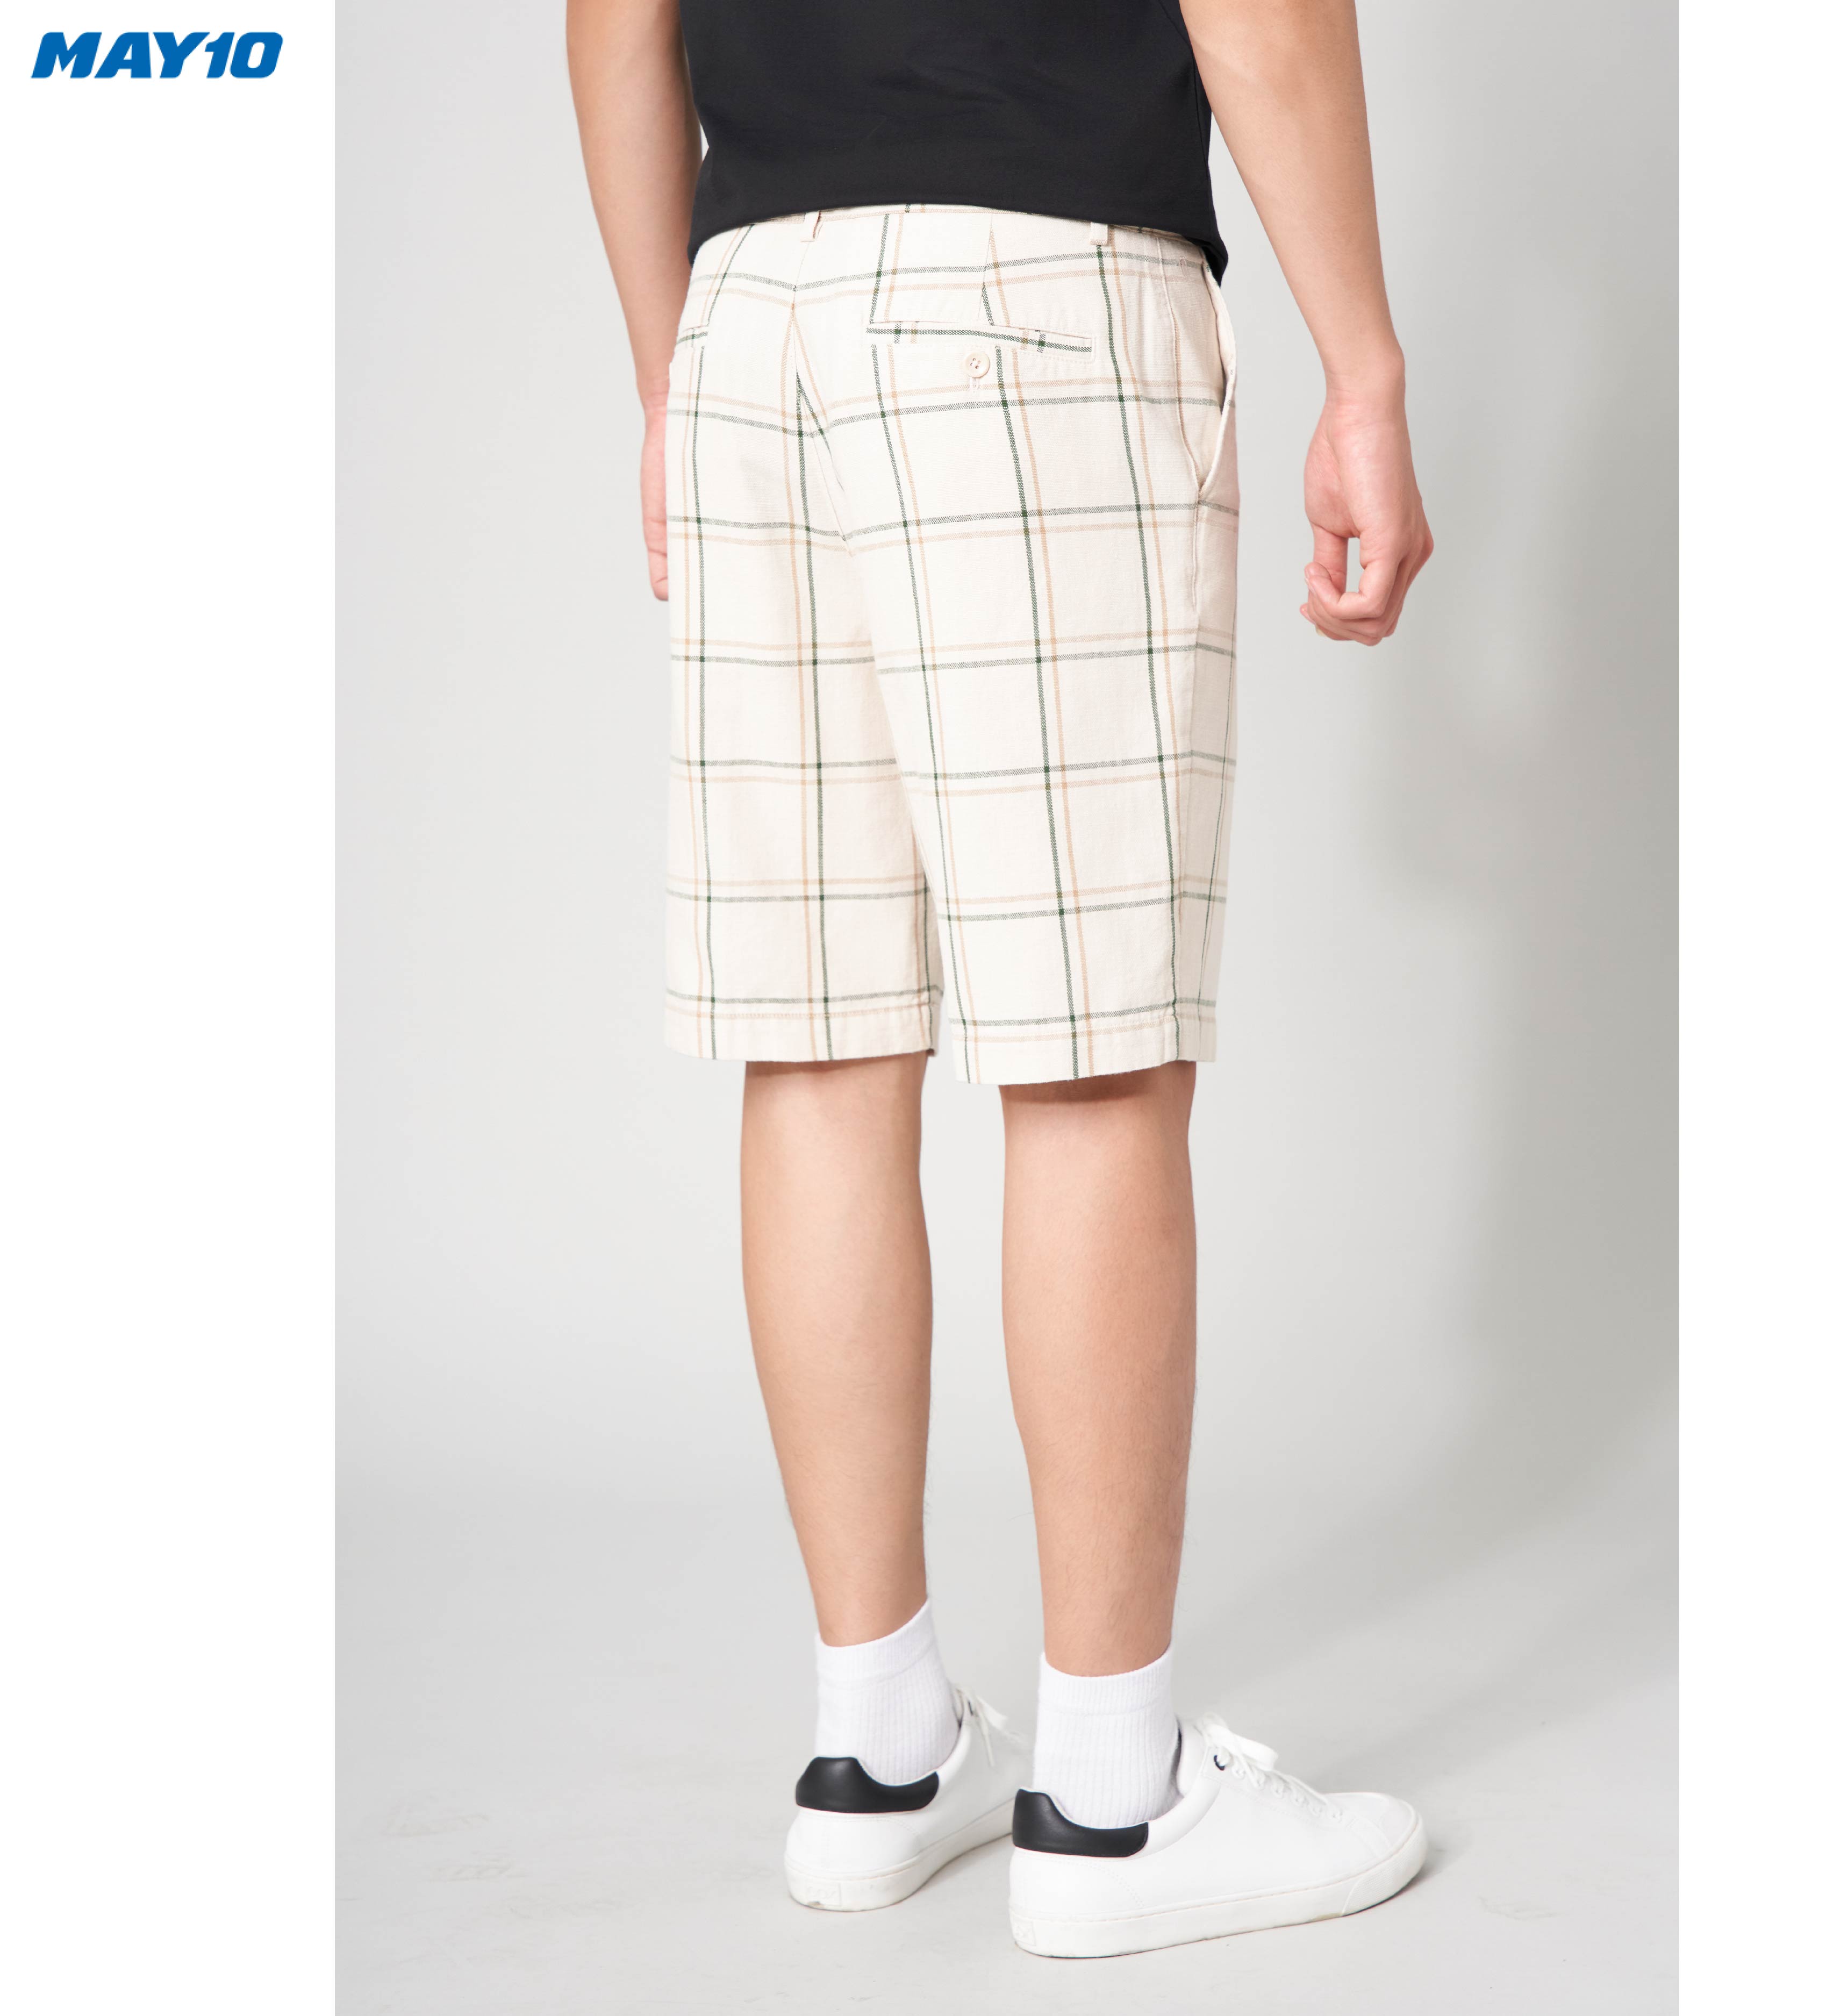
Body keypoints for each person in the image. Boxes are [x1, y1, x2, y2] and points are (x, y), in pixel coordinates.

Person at [567, 0, 1433, 1958]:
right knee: (1092, 1049)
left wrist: (669, 375)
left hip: (749, 313)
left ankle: (877, 1748)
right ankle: (1116, 1803)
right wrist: (1364, 364)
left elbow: (610, 20)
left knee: (819, 1037)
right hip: (1036, 296)